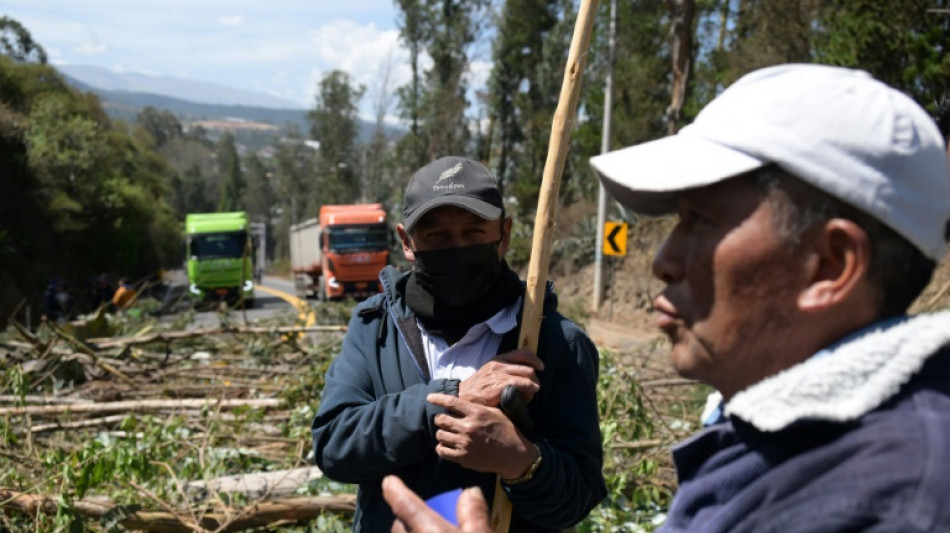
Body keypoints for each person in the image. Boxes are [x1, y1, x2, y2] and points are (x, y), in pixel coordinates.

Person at [382, 64, 950, 532]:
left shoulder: (882, 495)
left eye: (700, 222)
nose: (663, 260)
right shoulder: (793, 447)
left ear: (830, 265)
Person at [311, 156, 606, 532]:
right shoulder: (375, 327)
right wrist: (446, 403)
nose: (457, 247)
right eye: (437, 236)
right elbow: (335, 445)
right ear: (406, 241)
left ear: (504, 234)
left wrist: (523, 463)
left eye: (473, 232)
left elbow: (579, 496)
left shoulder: (556, 342)